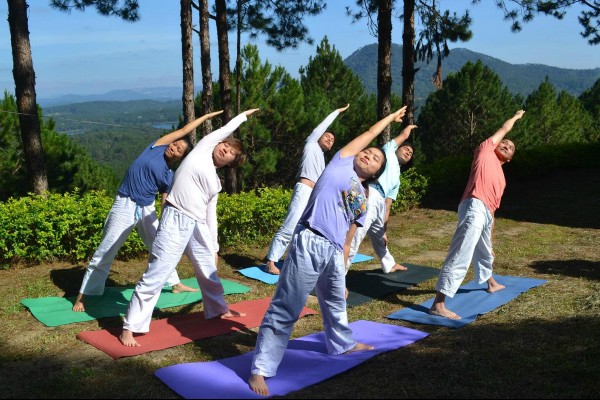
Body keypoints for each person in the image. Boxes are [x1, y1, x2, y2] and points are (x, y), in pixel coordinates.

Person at [248, 106, 407, 396]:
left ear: (375, 174)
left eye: (374, 159)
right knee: (288, 305)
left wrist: (342, 274)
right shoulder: (341, 163)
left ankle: (342, 344)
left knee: (335, 302)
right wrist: (390, 120)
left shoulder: (363, 196)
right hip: (310, 239)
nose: (368, 155)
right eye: (368, 152)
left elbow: (348, 240)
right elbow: (370, 134)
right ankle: (261, 368)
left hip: (334, 252)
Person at [119, 108, 259, 347]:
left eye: (231, 153)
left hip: (198, 224)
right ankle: (130, 326)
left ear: (230, 163)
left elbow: (210, 215)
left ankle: (218, 309)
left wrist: (214, 248)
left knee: (208, 270)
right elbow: (225, 130)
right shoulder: (202, 151)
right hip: (175, 217)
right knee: (158, 271)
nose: (225, 150)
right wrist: (243, 116)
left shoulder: (215, 183)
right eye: (226, 146)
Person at [72, 111, 223, 312]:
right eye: (174, 144)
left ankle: (175, 284)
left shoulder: (169, 176)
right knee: (106, 250)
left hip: (146, 210)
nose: (173, 147)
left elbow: (165, 202)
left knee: (160, 248)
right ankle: (83, 296)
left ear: (181, 158)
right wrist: (207, 116)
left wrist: (165, 224)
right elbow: (185, 129)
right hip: (125, 204)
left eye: (178, 149)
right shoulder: (155, 147)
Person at [429, 110, 525, 320]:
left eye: (511, 148)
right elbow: (504, 129)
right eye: (505, 143)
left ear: (510, 159)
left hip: (485, 211)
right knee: (462, 252)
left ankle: (491, 283)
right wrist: (515, 117)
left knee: (485, 251)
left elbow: (492, 209)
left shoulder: (502, 179)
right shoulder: (484, 151)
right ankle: (439, 303)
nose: (507, 145)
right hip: (473, 204)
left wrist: (490, 235)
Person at [264, 104, 349, 274]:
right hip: (304, 189)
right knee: (290, 224)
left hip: (315, 196)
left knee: (305, 229)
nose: (330, 140)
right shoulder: (311, 145)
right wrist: (336, 112)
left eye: (332, 140)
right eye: (327, 136)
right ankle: (271, 261)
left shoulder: (322, 160)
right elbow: (320, 127)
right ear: (318, 137)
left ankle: (294, 260)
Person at [346, 124, 418, 274]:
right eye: (406, 149)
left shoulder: (397, 179)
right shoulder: (388, 151)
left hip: (380, 201)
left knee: (380, 238)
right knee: (355, 236)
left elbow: (388, 204)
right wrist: (408, 130)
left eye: (410, 153)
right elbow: (403, 137)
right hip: (370, 192)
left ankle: (389, 264)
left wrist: (383, 230)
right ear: (397, 148)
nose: (408, 152)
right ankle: (337, 277)